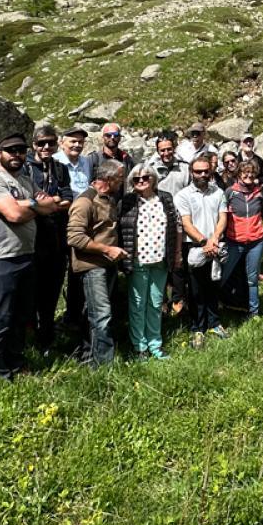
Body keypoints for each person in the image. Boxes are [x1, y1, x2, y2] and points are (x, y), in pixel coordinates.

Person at [0, 134, 61, 380]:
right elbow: (13, 215)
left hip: (25, 255)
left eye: (21, 150)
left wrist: (27, 203)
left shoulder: (25, 179)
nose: (17, 155)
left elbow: (52, 205)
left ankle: (16, 362)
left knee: (21, 316)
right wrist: (34, 204)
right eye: (10, 150)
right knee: (1, 317)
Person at [66, 160, 129, 367]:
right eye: (120, 178)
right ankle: (104, 366)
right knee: (102, 315)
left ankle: (88, 356)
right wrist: (107, 250)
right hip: (92, 267)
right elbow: (74, 238)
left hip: (107, 265)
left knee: (92, 313)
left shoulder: (108, 199)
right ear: (109, 179)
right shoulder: (85, 202)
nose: (123, 182)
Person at [119, 165, 178, 360]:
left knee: (155, 303)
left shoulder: (166, 198)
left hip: (160, 259)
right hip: (138, 261)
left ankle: (155, 343)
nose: (141, 181)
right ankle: (139, 346)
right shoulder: (127, 201)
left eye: (145, 177)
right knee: (137, 304)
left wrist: (176, 253)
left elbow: (175, 226)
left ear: (153, 178)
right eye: (136, 179)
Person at [27, 125, 75, 352]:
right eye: (41, 143)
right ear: (33, 144)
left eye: (51, 143)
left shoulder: (61, 168)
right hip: (33, 239)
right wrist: (50, 204)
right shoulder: (26, 168)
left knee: (52, 289)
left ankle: (46, 336)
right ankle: (30, 336)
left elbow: (67, 197)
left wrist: (45, 204)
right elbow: (26, 200)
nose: (46, 147)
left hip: (56, 239)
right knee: (31, 291)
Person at [174, 155, 229, 346]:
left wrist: (214, 239)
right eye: (198, 171)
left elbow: (223, 218)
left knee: (213, 284)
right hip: (195, 246)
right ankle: (198, 327)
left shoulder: (218, 192)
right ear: (191, 172)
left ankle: (214, 323)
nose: (203, 174)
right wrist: (204, 241)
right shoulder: (183, 196)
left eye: (206, 171)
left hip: (214, 243)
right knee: (196, 289)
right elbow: (187, 224)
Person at [221, 160, 263, 320]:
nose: (249, 175)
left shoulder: (260, 192)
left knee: (252, 279)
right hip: (234, 241)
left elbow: (262, 211)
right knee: (223, 275)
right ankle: (215, 306)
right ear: (239, 174)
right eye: (245, 172)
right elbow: (222, 216)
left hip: (256, 241)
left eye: (252, 173)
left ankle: (254, 312)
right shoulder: (230, 192)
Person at [148, 131, 189, 197]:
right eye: (162, 150)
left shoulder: (185, 168)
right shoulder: (151, 170)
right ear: (158, 152)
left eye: (169, 149)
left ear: (174, 149)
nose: (166, 153)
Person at [55, 127, 96, 195]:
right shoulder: (55, 162)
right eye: (73, 141)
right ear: (61, 144)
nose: (77, 145)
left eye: (80, 142)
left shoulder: (86, 161)